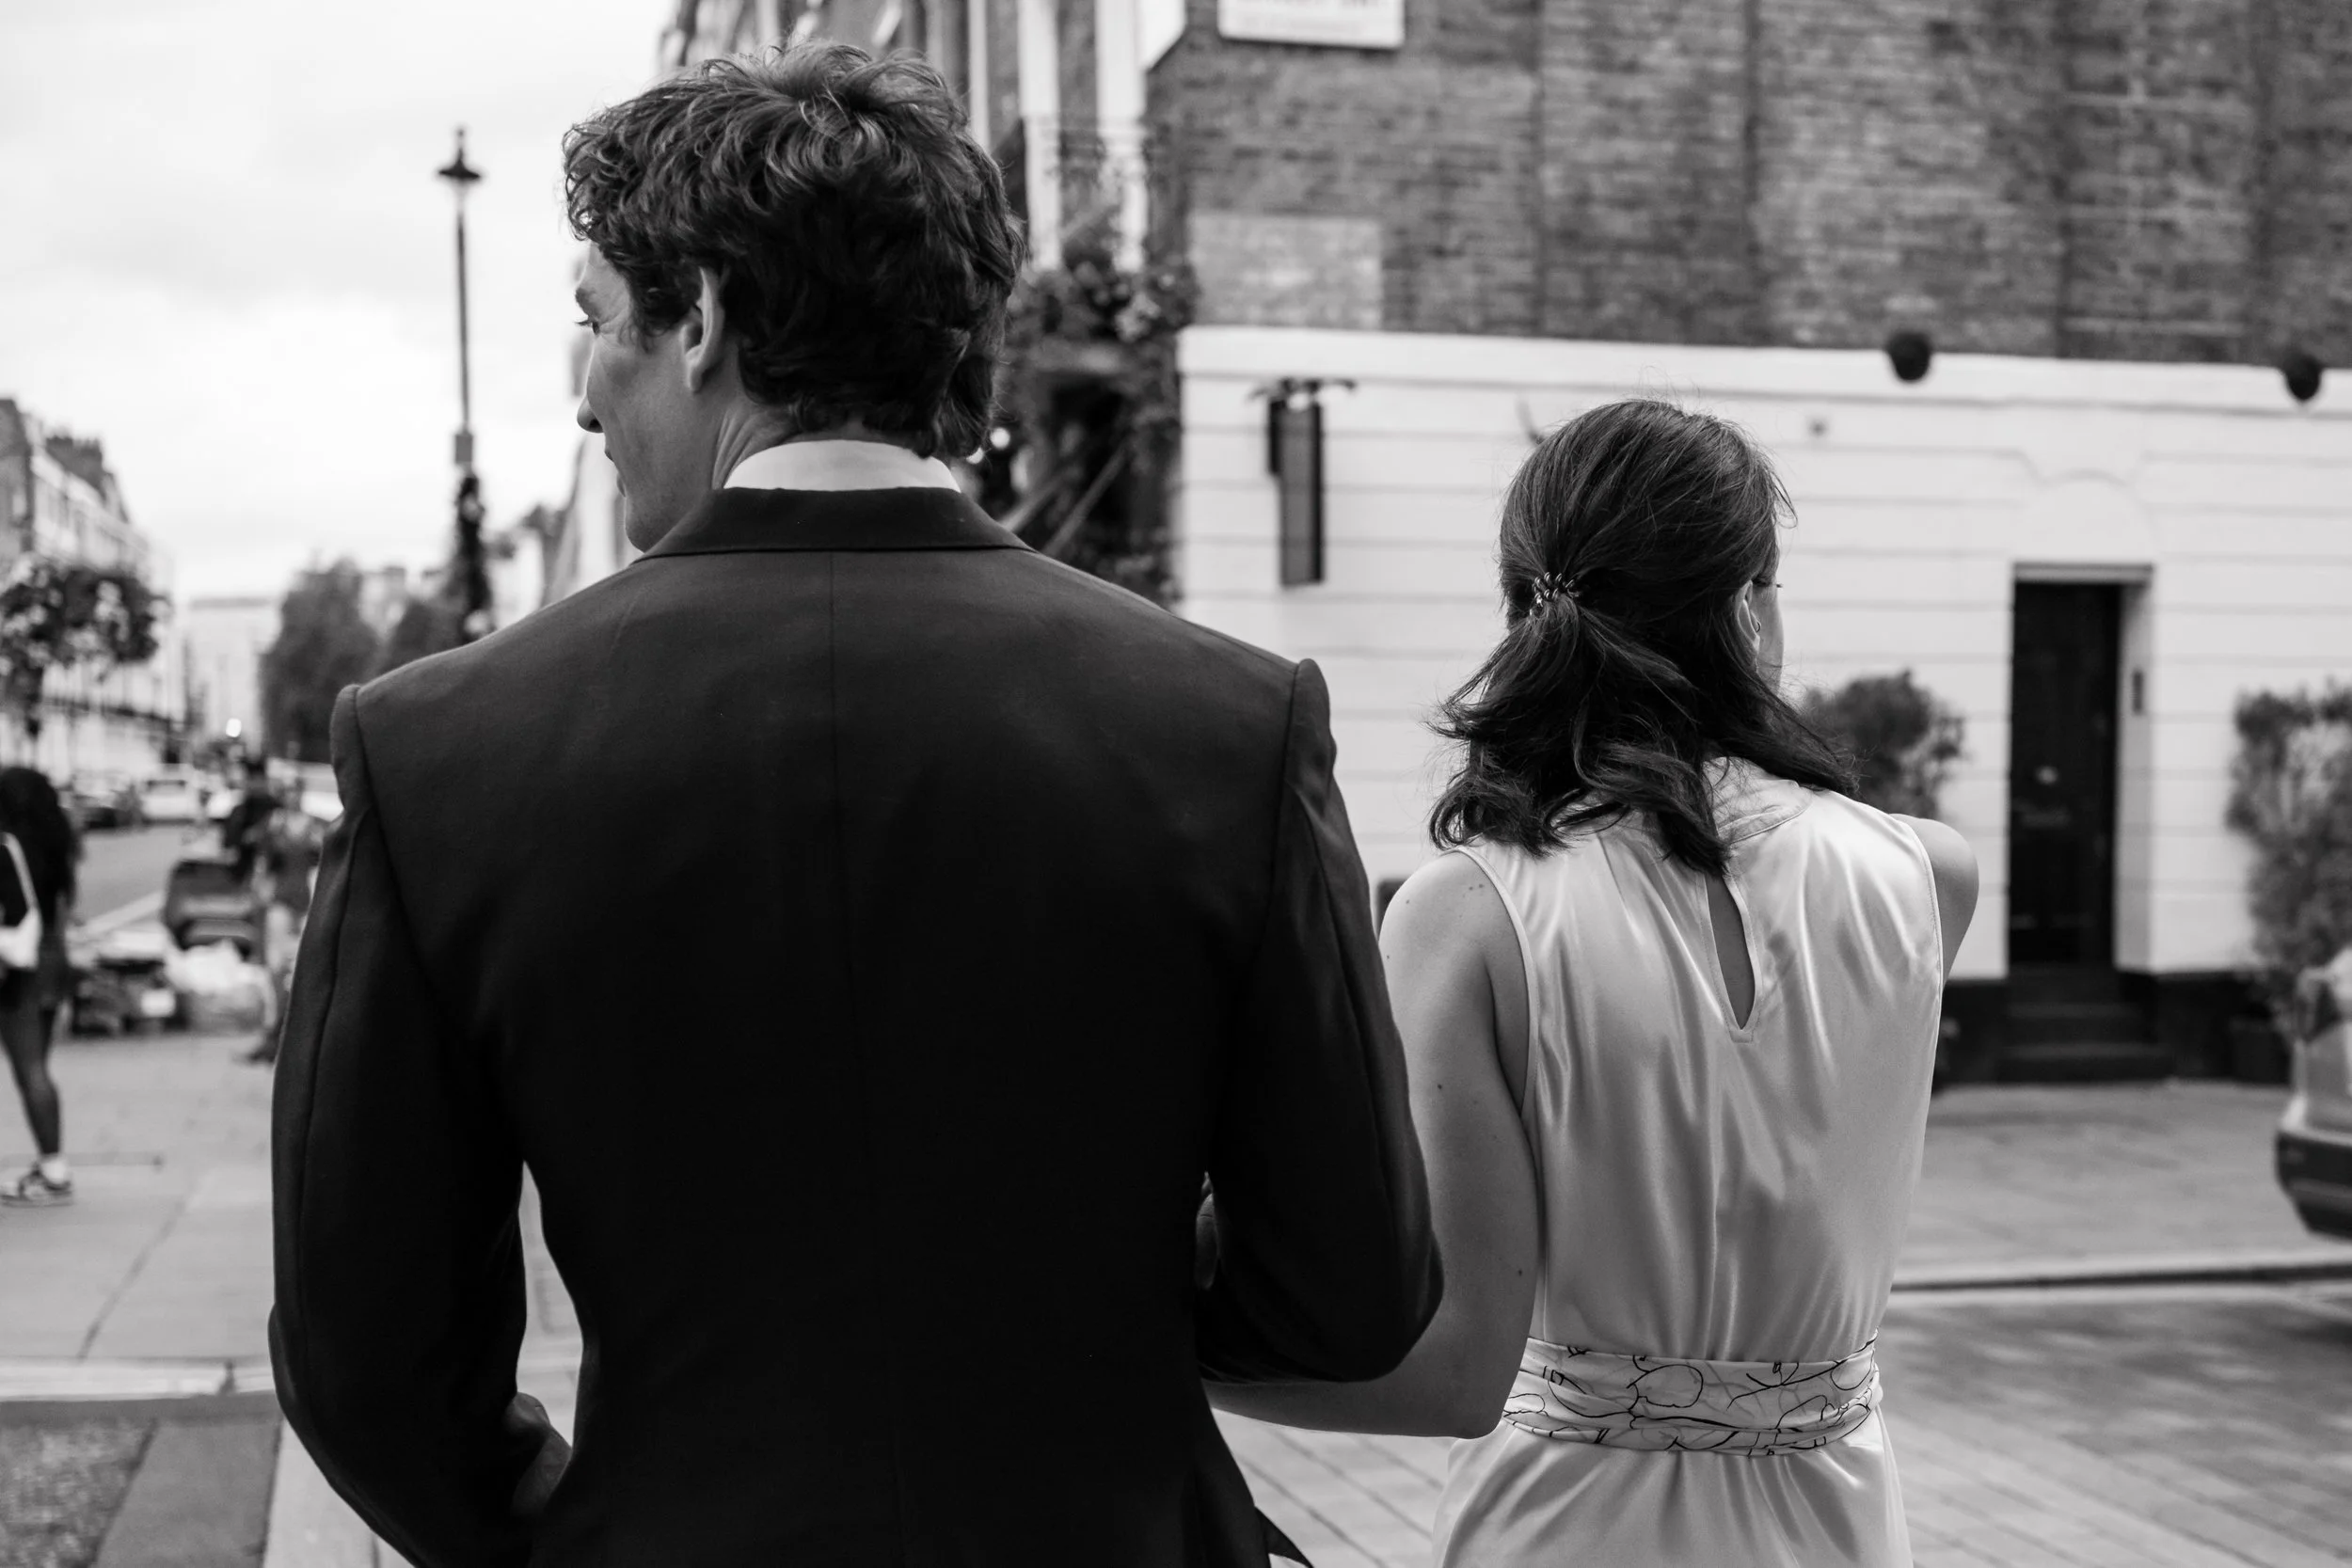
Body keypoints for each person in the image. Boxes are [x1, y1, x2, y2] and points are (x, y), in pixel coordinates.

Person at [268, 43, 1438, 1568]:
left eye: (593, 319)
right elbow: (1350, 1286)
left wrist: (585, 1530)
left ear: (701, 318)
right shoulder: (1232, 724)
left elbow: (366, 1350)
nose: (582, 395)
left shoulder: (438, 749)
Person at [1210, 401, 1979, 1567]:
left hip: (1563, 1526)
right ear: (1747, 613)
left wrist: (1157, 1343)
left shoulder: (1466, 916)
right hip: (1836, 1527)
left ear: (1526, 614)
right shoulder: (1930, 874)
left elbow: (1456, 1368)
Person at [0, 768, 83, 1208]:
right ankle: (50, 1164)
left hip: (20, 966)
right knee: (39, 1065)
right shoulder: (54, 845)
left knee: (29, 1068)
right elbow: (64, 905)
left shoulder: (9, 846)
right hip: (52, 956)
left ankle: (54, 1172)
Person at [241, 801, 321, 1067]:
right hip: (280, 901)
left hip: (305, 901)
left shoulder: (312, 827)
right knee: (276, 968)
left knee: (300, 968)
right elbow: (260, 860)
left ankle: (291, 1032)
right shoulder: (274, 824)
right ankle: (275, 1031)